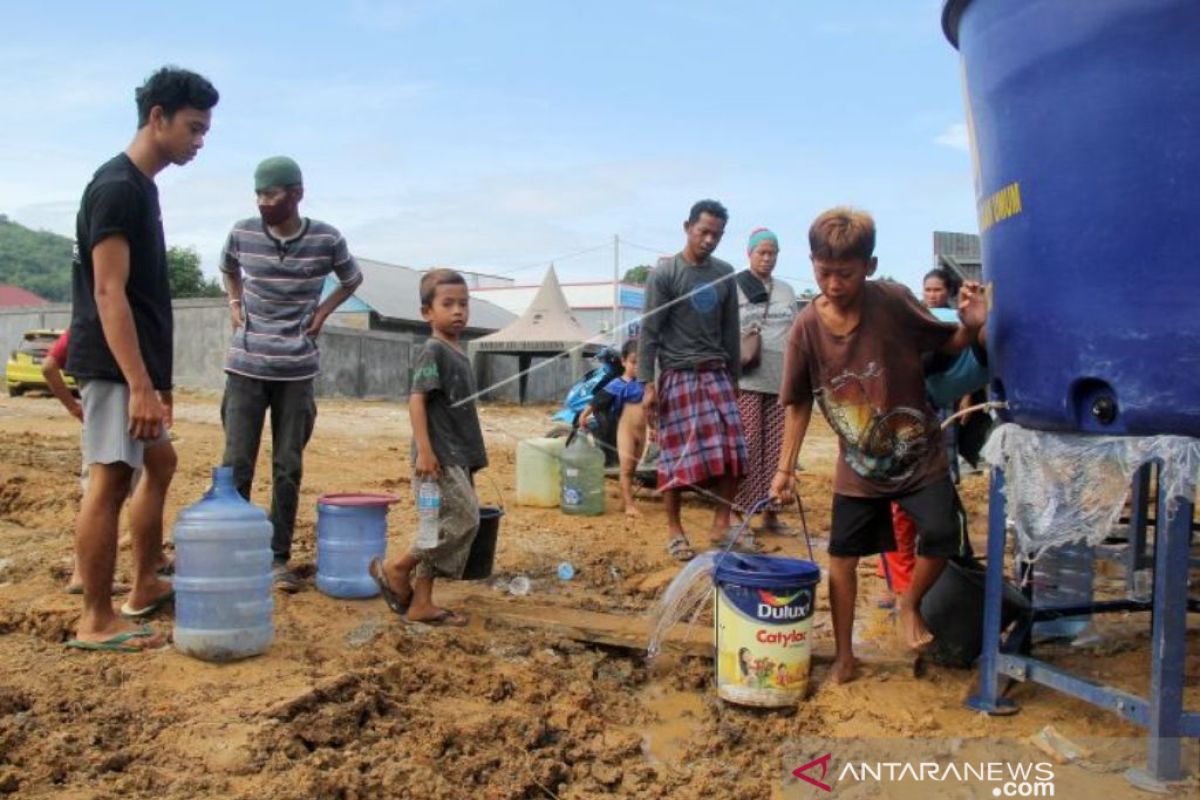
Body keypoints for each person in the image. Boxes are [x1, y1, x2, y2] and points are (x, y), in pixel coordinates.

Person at [770, 208, 986, 683]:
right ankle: (845, 656)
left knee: (942, 532)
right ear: (811, 263)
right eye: (823, 272)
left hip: (917, 453)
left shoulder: (892, 301)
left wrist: (969, 327)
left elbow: (946, 345)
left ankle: (909, 601)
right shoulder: (807, 327)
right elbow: (799, 402)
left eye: (845, 274)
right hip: (859, 465)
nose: (833, 284)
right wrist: (784, 469)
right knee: (841, 560)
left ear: (869, 265)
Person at [63, 66, 217, 653]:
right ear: (158, 118)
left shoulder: (140, 187)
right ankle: (97, 619)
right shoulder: (117, 187)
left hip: (136, 370)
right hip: (112, 367)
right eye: (193, 128)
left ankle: (146, 580)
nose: (199, 142)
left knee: (162, 463)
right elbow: (109, 292)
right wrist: (139, 385)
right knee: (110, 481)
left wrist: (159, 380)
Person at [219, 156, 364, 592]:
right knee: (236, 463)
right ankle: (235, 551)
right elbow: (228, 268)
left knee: (287, 467)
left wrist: (322, 312)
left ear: (296, 194)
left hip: (297, 369)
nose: (264, 203)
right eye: (259, 195)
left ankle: (277, 556)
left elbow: (352, 278)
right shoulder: (242, 232)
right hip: (246, 365)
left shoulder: (326, 238)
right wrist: (234, 303)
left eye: (272, 195)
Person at [370, 269, 487, 626]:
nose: (458, 311)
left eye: (463, 304)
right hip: (437, 459)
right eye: (448, 304)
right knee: (465, 520)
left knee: (433, 526)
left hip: (458, 458)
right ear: (427, 313)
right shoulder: (433, 350)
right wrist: (425, 451)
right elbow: (417, 401)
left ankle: (422, 602)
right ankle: (396, 566)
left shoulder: (458, 352)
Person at [877, 268, 988, 608]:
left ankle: (931, 581)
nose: (932, 293)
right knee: (898, 505)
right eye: (927, 289)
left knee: (934, 507)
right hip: (896, 410)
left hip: (930, 410)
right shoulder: (935, 327)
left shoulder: (983, 343)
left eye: (937, 288)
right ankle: (900, 585)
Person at [733, 228, 798, 536]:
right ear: (750, 253)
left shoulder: (786, 291)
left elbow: (796, 334)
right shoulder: (735, 288)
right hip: (747, 379)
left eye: (772, 253)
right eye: (762, 252)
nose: (767, 258)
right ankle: (739, 513)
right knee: (748, 446)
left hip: (780, 380)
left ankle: (771, 513)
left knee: (776, 448)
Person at [579, 339, 648, 517]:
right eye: (633, 362)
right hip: (624, 430)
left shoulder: (646, 384)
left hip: (642, 431)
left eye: (641, 361)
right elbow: (598, 400)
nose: (637, 366)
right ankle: (629, 506)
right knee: (625, 468)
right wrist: (584, 414)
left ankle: (624, 499)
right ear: (624, 362)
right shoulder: (617, 384)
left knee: (633, 468)